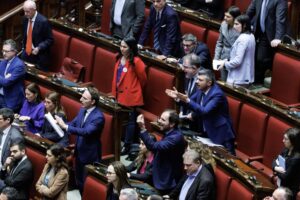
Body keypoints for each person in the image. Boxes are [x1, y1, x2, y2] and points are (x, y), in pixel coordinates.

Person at [166, 69, 235, 155]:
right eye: (197, 79)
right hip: (207, 131)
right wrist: (178, 98)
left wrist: (187, 100)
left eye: (200, 80)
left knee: (229, 162)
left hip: (221, 134)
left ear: (209, 83)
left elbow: (205, 111)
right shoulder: (200, 90)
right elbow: (191, 102)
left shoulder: (217, 94)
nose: (197, 82)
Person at [55, 86, 105, 193]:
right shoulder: (82, 110)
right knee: (79, 182)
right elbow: (73, 124)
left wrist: (65, 127)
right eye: (81, 97)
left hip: (90, 156)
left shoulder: (98, 117)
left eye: (84, 98)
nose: (81, 100)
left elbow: (86, 132)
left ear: (93, 102)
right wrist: (60, 124)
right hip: (79, 152)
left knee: (85, 186)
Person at [111, 37, 147, 155]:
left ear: (131, 48)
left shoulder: (136, 61)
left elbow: (143, 79)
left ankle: (127, 145)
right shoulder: (119, 58)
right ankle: (119, 142)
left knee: (131, 121)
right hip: (118, 93)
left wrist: (133, 88)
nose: (122, 49)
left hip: (130, 96)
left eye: (124, 47)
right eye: (121, 46)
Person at [137, 110, 186, 195]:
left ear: (172, 124)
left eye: (163, 120)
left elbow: (153, 147)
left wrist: (142, 128)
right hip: (159, 175)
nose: (159, 121)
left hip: (167, 180)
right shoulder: (170, 132)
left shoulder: (176, 137)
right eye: (160, 118)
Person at [246, 0, 288, 83]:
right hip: (261, 33)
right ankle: (255, 82)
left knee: (261, 59)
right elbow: (249, 13)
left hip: (274, 34)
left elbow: (280, 20)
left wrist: (278, 38)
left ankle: (259, 82)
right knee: (254, 57)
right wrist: (239, 23)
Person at [217, 14, 255, 87]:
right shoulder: (251, 36)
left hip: (238, 79)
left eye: (237, 24)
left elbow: (237, 61)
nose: (234, 27)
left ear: (244, 25)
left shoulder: (242, 39)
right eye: (234, 24)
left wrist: (224, 64)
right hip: (246, 77)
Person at [21, 0, 54, 71]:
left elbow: (50, 40)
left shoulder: (43, 21)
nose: (25, 14)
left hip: (39, 56)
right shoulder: (25, 19)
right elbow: (25, 36)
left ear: (34, 10)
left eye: (27, 11)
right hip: (26, 52)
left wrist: (39, 48)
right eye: (24, 11)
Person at [214, 6, 241, 81]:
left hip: (234, 60)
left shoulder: (240, 29)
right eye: (225, 15)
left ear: (235, 18)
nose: (225, 18)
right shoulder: (223, 24)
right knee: (223, 81)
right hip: (223, 57)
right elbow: (219, 43)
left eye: (228, 17)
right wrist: (216, 58)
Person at [272, 128, 300, 198]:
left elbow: (285, 177)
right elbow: (274, 161)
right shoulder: (286, 150)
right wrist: (276, 168)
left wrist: (276, 171)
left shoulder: (296, 158)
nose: (283, 141)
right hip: (281, 186)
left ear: (293, 141)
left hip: (288, 192)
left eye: (286, 139)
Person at [0, 39, 26, 112]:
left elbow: (6, 83)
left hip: (10, 101)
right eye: (3, 51)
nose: (4, 53)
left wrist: (4, 79)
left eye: (6, 51)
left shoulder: (19, 65)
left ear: (14, 52)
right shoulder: (3, 62)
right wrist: (4, 79)